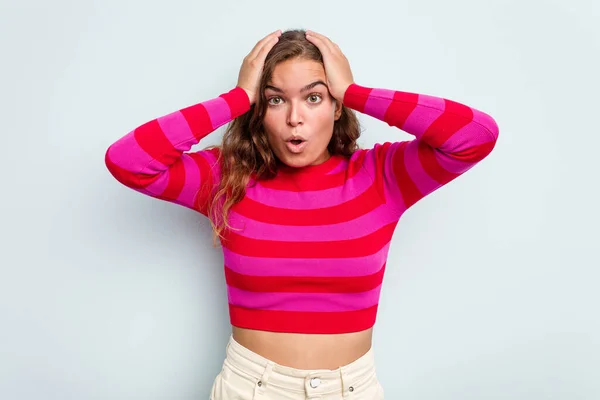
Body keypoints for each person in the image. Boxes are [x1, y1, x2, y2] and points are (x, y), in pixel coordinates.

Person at [105, 29, 499, 400]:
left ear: (335, 106)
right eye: (276, 99)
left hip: (352, 389)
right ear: (261, 110)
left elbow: (476, 135)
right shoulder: (226, 178)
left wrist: (354, 91)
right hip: (251, 388)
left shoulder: (382, 176)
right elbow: (129, 161)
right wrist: (238, 97)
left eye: (314, 97)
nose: (295, 117)